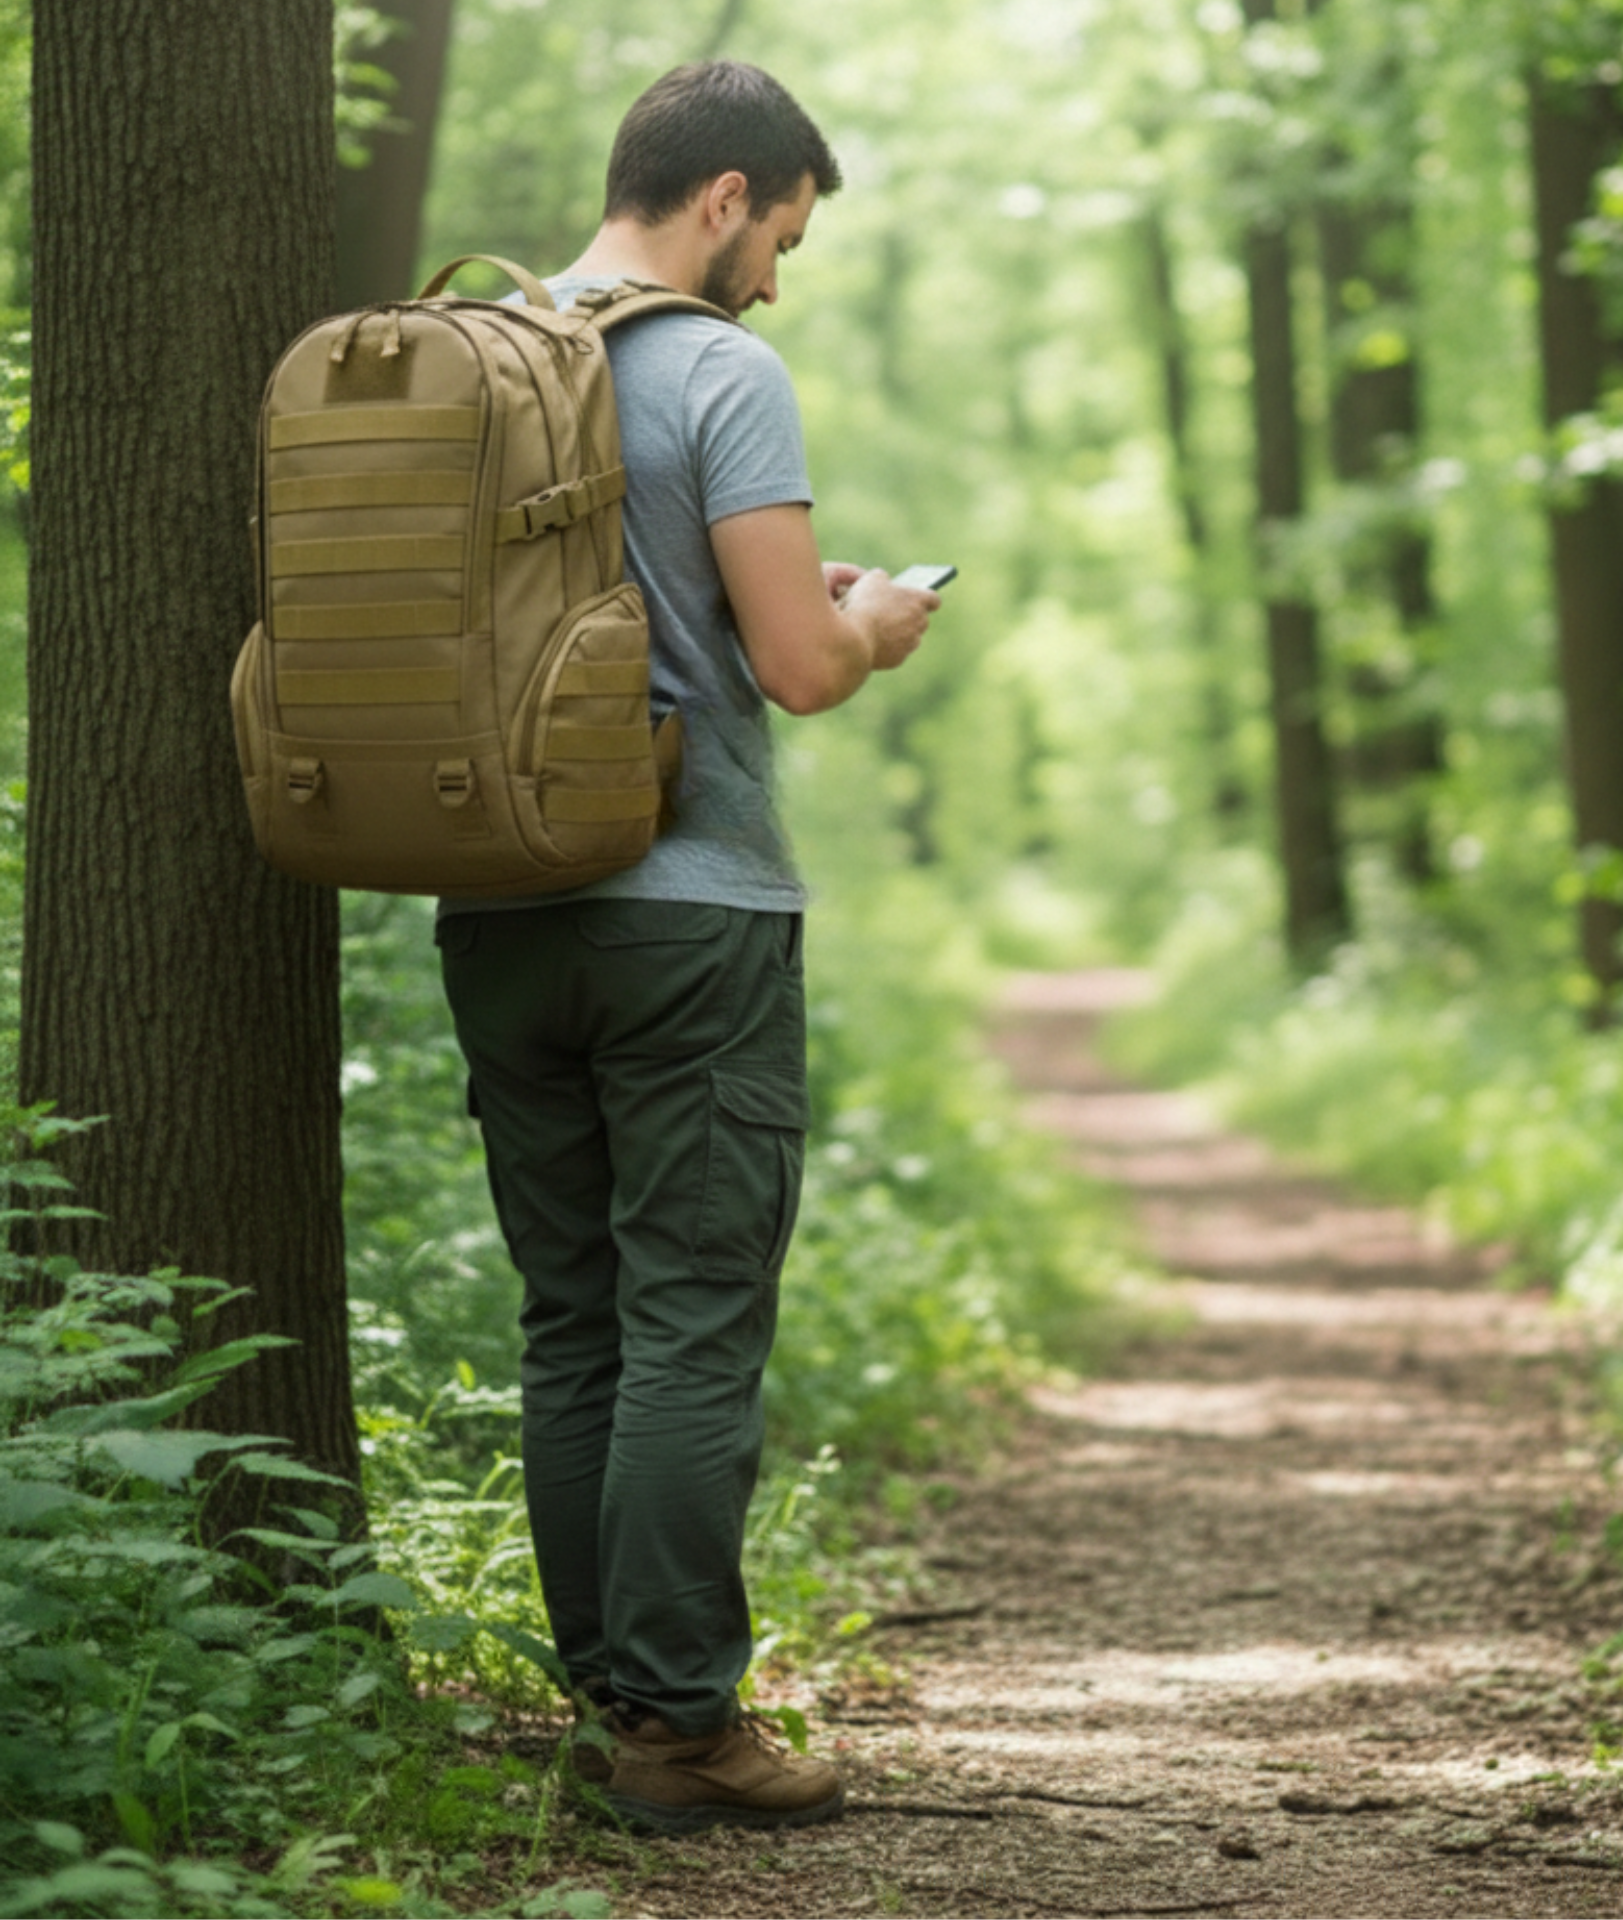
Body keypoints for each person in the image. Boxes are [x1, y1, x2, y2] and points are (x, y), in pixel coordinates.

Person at [433, 60, 938, 1835]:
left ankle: (604, 1709)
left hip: (493, 908)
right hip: (689, 915)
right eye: (781, 236)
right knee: (693, 1324)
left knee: (574, 1324)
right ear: (724, 196)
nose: (778, 280)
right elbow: (798, 665)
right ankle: (681, 1728)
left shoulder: (471, 359)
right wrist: (874, 622)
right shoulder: (719, 370)